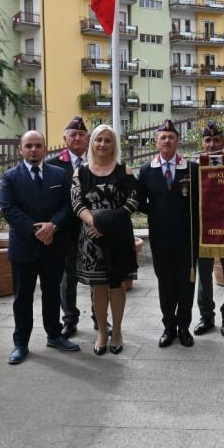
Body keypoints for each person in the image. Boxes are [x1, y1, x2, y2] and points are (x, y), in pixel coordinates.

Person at [0, 130, 79, 365]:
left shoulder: (59, 175)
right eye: (29, 146)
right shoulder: (10, 177)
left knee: (52, 294)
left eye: (37, 146)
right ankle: (20, 343)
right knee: (22, 297)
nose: (33, 150)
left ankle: (54, 335)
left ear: (45, 148)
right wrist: (37, 230)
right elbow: (9, 209)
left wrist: (53, 226)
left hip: (53, 245)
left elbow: (68, 206)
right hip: (24, 246)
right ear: (20, 149)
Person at [70, 125, 139, 355]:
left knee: (117, 285)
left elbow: (132, 202)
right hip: (92, 239)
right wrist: (94, 223)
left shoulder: (125, 171)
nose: (102, 144)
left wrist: (108, 224)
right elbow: (77, 203)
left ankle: (117, 331)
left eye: (107, 140)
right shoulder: (80, 172)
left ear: (114, 144)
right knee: (98, 287)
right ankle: (101, 332)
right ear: (92, 143)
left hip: (118, 236)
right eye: (98, 139)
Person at [136, 119, 199, 348]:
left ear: (178, 141)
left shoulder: (191, 168)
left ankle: (184, 327)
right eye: (162, 137)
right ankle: (168, 327)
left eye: (171, 137)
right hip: (160, 237)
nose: (167, 140)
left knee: (186, 283)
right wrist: (158, 212)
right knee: (165, 283)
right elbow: (139, 200)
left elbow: (200, 202)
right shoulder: (146, 170)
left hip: (187, 238)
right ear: (156, 142)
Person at [45, 117, 98, 337]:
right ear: (64, 138)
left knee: (98, 275)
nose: (77, 138)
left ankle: (100, 317)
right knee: (67, 278)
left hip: (93, 229)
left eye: (81, 134)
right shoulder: (53, 164)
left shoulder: (97, 161)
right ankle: (69, 319)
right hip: (65, 230)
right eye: (72, 134)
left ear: (87, 139)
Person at [193, 121, 224, 337]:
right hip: (203, 228)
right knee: (204, 275)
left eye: (216, 140)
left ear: (222, 141)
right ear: (202, 143)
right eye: (208, 140)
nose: (212, 144)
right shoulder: (194, 166)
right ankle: (206, 316)